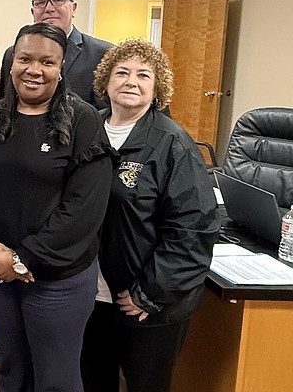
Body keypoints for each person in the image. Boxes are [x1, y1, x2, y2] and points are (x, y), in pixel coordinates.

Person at [0, 22, 115, 392]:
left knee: (56, 379)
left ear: (60, 68)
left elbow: (84, 209)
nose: (34, 70)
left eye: (47, 62)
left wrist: (22, 258)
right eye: (25, 59)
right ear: (12, 62)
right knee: (11, 369)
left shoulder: (83, 121)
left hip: (56, 281)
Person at [81, 38, 219, 392]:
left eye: (144, 75)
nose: (131, 81)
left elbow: (193, 230)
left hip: (148, 302)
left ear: (157, 89)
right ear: (105, 81)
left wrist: (149, 292)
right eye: (122, 72)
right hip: (89, 296)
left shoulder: (173, 144)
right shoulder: (86, 130)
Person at [0, 0, 113, 108]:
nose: (49, 8)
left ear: (74, 8)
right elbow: (6, 103)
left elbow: (106, 112)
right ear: (33, 12)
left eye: (58, 0)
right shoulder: (12, 54)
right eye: (40, 2)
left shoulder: (103, 54)